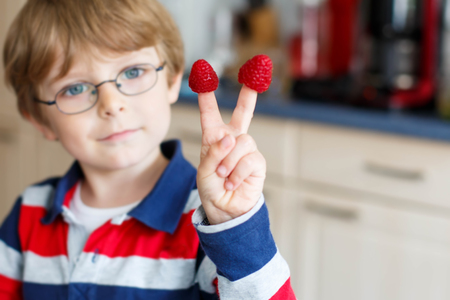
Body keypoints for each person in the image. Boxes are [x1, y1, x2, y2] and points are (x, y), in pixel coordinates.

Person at [0, 0, 296, 299]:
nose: (112, 105)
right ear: (40, 120)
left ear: (172, 80)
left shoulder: (211, 221)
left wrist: (234, 226)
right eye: (74, 89)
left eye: (132, 72)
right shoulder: (28, 211)